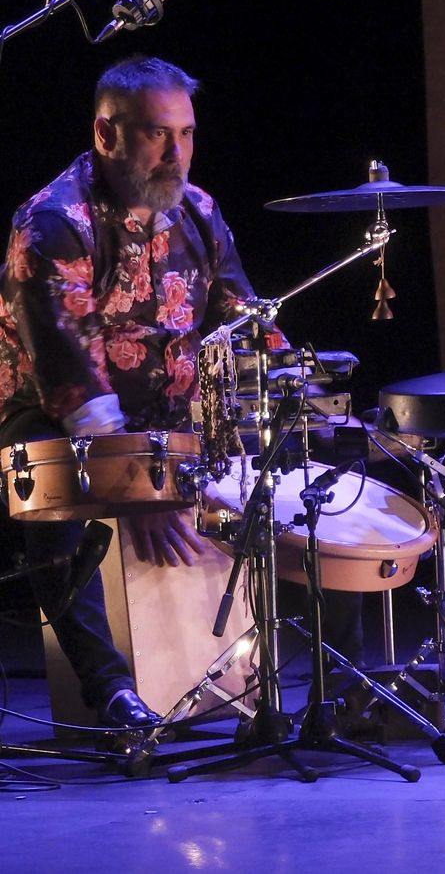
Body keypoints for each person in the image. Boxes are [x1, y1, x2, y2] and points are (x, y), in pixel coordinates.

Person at [0, 56, 268, 729]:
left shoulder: (200, 213)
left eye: (186, 133)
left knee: (310, 471)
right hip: (56, 417)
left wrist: (293, 385)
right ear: (105, 133)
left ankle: (310, 674)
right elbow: (73, 382)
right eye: (156, 134)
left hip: (170, 420)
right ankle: (114, 693)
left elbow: (245, 318)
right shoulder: (53, 223)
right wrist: (138, 486)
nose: (177, 153)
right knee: (51, 495)